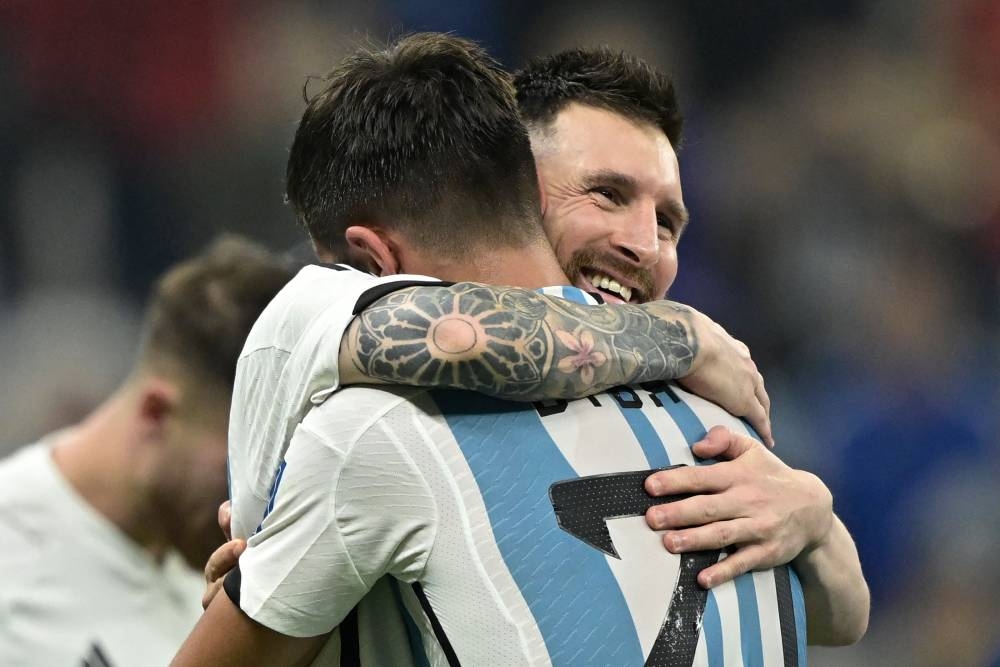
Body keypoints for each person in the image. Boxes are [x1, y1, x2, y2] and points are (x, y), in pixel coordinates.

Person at [174, 34, 865, 666]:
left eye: (669, 221)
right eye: (607, 193)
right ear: (517, 188)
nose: (644, 244)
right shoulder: (714, 403)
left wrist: (815, 515)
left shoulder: (377, 431)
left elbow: (844, 611)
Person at [0, 236, 295, 666]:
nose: (248, 505)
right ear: (157, 412)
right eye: (237, 468)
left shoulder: (235, 578)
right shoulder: (11, 565)